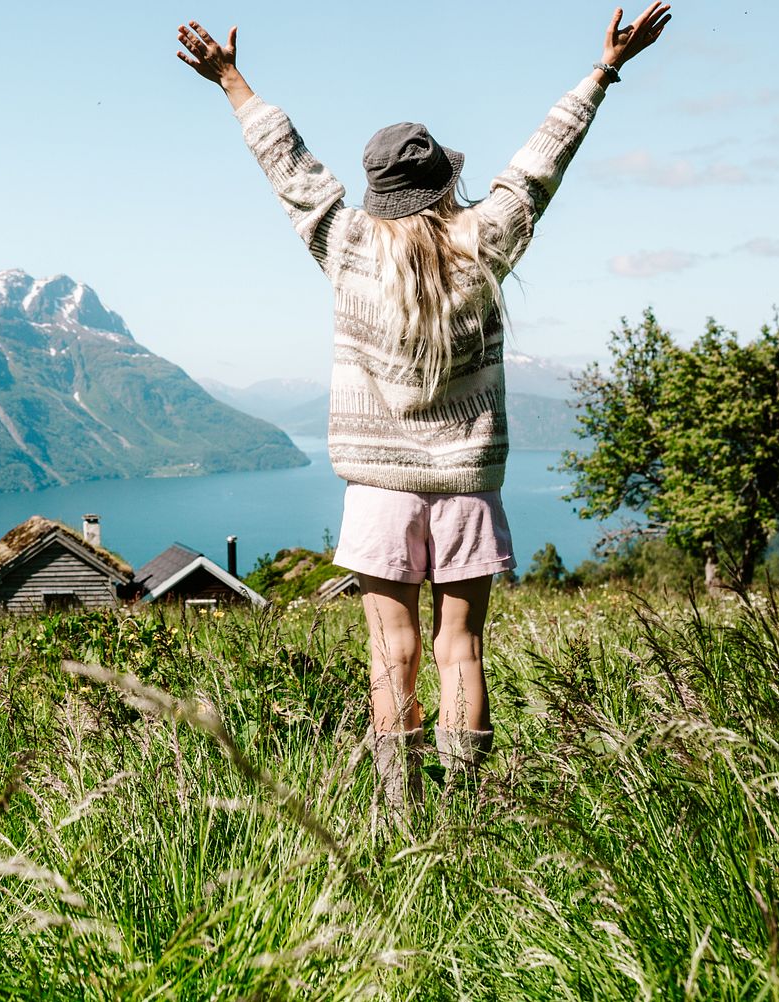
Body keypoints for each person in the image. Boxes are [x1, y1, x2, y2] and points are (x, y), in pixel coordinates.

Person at [176, 6, 671, 812]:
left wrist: (231, 81)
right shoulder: (486, 242)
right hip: (468, 485)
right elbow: (541, 166)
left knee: (390, 651)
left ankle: (403, 814)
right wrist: (604, 69)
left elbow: (290, 168)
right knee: (461, 650)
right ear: (445, 184)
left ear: (377, 194)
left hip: (377, 488)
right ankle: (468, 815)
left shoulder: (346, 247)